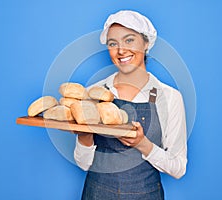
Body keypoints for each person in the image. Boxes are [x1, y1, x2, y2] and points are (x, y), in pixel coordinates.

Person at [74, 10, 187, 200]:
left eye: (129, 40)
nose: (121, 51)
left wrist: (143, 145)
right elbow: (84, 163)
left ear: (146, 43)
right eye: (113, 43)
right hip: (96, 194)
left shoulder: (169, 97)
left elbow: (178, 168)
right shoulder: (94, 92)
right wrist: (84, 136)